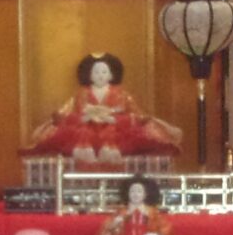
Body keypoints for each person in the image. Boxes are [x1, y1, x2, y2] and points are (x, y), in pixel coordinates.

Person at [23, 52, 182, 162]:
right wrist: (84, 118)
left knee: (131, 131)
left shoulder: (121, 94)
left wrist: (113, 119)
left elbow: (137, 115)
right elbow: (65, 113)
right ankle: (85, 152)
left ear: (111, 75)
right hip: (86, 130)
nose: (100, 75)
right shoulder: (82, 93)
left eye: (104, 72)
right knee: (76, 130)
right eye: (96, 72)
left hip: (115, 130)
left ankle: (109, 151)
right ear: (89, 75)